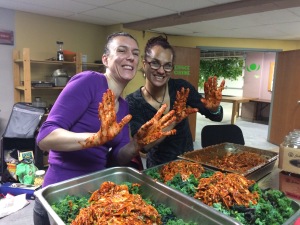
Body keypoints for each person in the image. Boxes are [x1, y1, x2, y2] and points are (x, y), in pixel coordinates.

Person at [33, 32, 176, 225]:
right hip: (59, 196)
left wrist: (136, 144)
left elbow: (117, 158)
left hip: (93, 196)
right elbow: (45, 136)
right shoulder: (89, 81)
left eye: (135, 53)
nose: (130, 57)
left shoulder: (124, 106)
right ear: (106, 59)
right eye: (122, 51)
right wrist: (96, 138)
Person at [126, 35, 225, 168]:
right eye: (155, 63)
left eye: (167, 66)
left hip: (188, 164)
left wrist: (214, 109)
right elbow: (144, 146)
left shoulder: (181, 88)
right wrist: (174, 121)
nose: (161, 71)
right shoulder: (133, 101)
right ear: (144, 64)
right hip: (158, 168)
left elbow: (216, 117)